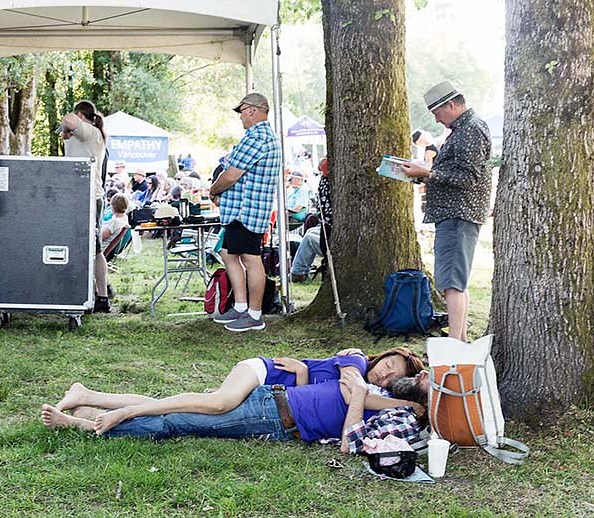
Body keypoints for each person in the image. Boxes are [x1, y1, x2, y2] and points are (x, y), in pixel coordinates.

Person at [50, 347, 424, 435]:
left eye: (392, 376)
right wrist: (405, 399)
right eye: (389, 364)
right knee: (210, 406)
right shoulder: (356, 361)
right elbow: (351, 390)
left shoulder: (371, 387)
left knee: (185, 406)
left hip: (275, 394)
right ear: (382, 355)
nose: (386, 373)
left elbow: (332, 393)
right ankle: (109, 417)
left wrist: (303, 373)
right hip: (262, 377)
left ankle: (88, 397)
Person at [42, 367, 429, 449]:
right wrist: (361, 389)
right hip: (269, 399)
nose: (422, 373)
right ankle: (92, 410)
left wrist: (360, 394)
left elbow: (350, 443)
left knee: (177, 416)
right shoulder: (381, 392)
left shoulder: (401, 413)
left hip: (275, 416)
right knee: (176, 415)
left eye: (426, 379)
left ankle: (86, 406)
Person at [401, 81, 492, 341]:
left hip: (458, 214)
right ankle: (459, 342)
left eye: (437, 113)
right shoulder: (466, 128)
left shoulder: (470, 130)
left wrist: (427, 172)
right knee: (456, 282)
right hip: (455, 214)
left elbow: (467, 177)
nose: (437, 120)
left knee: (452, 284)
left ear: (451, 105)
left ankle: (453, 346)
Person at [209, 92, 282, 332]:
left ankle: (254, 313)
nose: (240, 117)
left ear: (251, 110)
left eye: (241, 111)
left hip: (246, 210)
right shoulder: (262, 137)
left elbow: (232, 173)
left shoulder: (256, 137)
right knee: (229, 254)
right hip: (244, 209)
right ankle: (240, 307)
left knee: (250, 259)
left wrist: (213, 190)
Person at [61, 100, 111, 313]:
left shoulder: (91, 133)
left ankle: (102, 295)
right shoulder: (84, 135)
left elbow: (67, 120)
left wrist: (65, 127)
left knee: (95, 248)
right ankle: (90, 291)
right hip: (76, 196)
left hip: (89, 198)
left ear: (81, 116)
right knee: (82, 247)